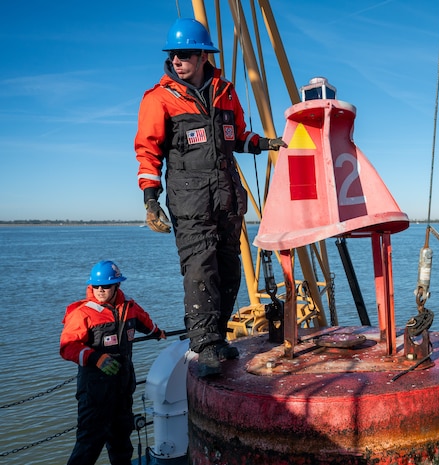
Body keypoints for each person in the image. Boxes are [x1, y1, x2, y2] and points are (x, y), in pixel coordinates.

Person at [134, 18, 286, 377]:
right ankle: (203, 347)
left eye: (184, 55)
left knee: (229, 269)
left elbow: (236, 136)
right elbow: (148, 150)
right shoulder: (160, 98)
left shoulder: (226, 91)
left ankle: (217, 338)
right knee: (200, 270)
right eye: (173, 55)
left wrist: (263, 144)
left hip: (227, 198)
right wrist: (150, 199)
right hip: (190, 202)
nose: (176, 61)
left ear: (203, 56)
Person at [60, 260, 166, 465]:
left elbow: (144, 322)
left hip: (122, 387)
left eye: (106, 286)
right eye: (96, 286)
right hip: (94, 391)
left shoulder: (129, 307)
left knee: (121, 441)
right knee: (88, 444)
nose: (100, 290)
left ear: (117, 285)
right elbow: (67, 346)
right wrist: (95, 357)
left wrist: (157, 333)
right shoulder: (82, 313)